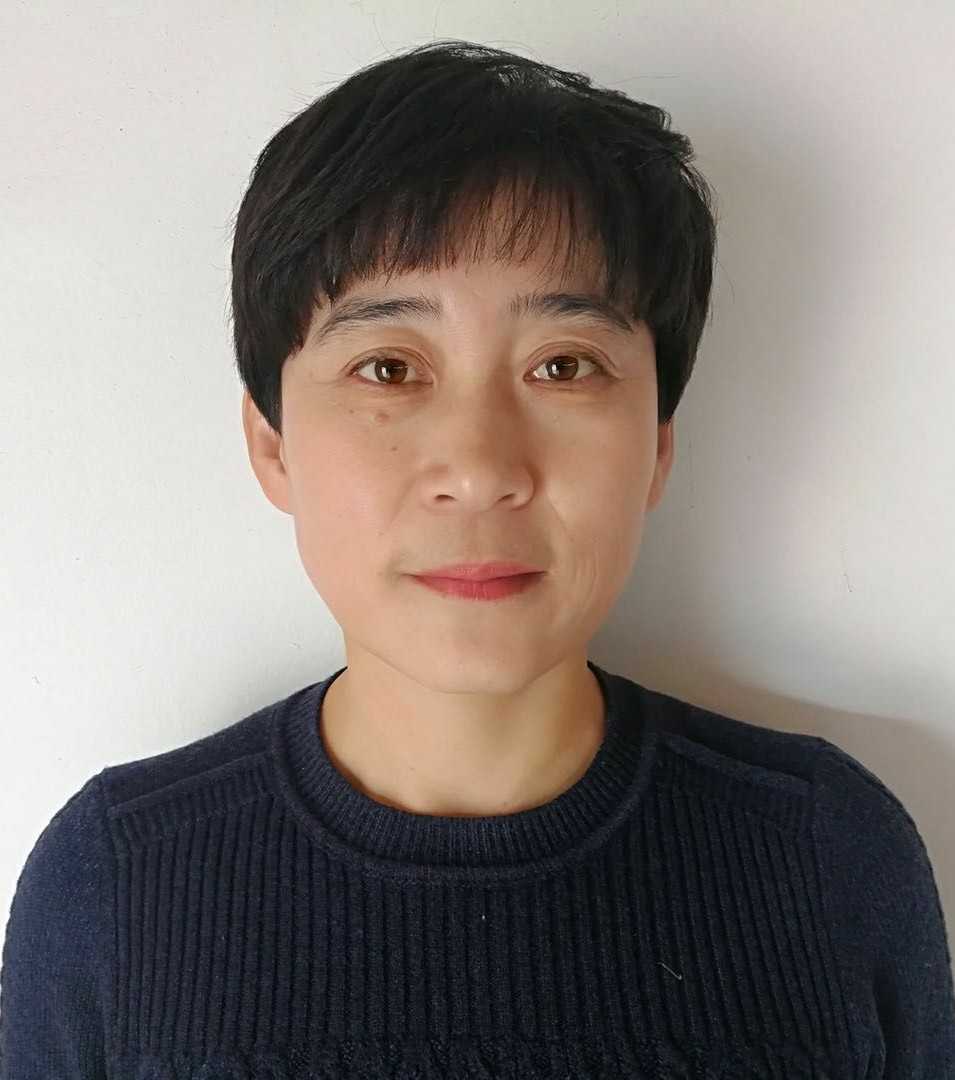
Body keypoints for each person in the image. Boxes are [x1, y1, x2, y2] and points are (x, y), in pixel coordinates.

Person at [2, 38, 953, 1079]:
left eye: (562, 365)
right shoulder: (116, 883)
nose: (479, 469)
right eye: (388, 367)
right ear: (272, 446)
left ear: (655, 448)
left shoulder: (825, 856)